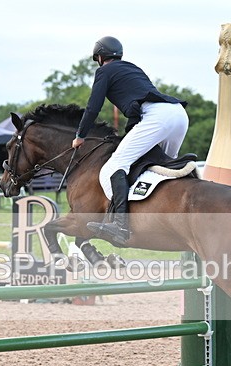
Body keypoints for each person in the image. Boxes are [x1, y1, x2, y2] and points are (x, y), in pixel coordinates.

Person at [72, 36, 189, 245]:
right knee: (165, 167)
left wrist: (80, 136)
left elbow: (93, 107)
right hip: (178, 114)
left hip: (157, 117)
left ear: (99, 57)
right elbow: (137, 111)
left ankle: (120, 225)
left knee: (114, 166)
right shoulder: (132, 68)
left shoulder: (103, 71)